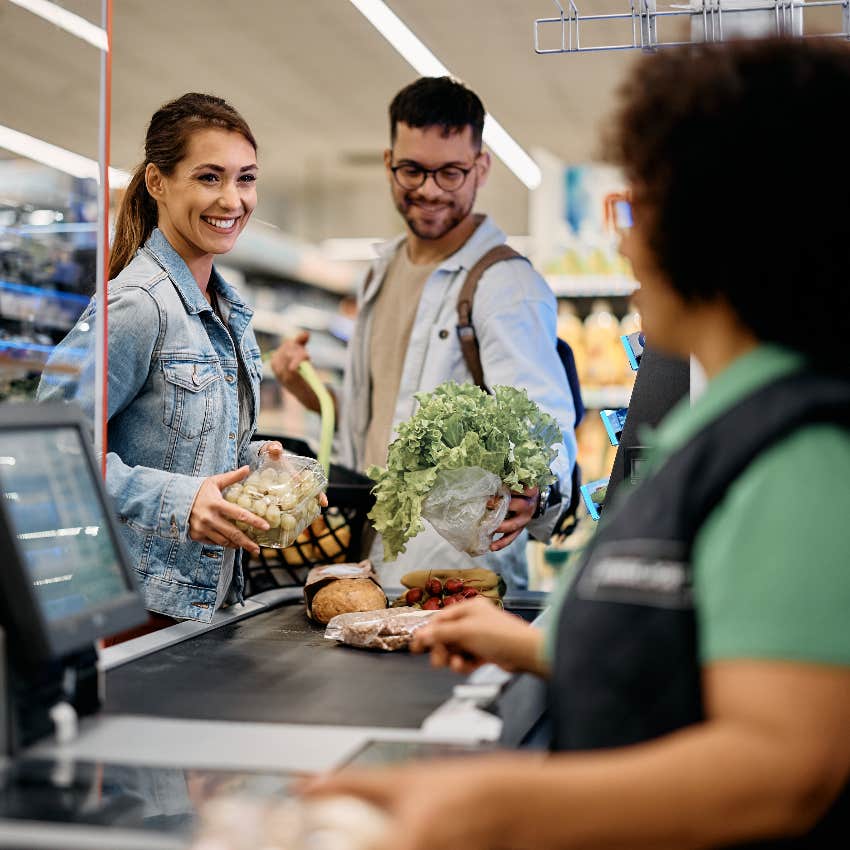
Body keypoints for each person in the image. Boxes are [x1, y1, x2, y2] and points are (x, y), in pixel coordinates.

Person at [305, 39, 850, 848]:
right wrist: (529, 643)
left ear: (723, 224)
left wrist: (492, 808)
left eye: (643, 209)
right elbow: (691, 653)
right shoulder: (722, 422)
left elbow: (786, 767)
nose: (625, 244)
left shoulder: (800, 452)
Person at [271, 77, 577, 591]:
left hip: (456, 575)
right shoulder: (381, 271)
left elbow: (543, 424)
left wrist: (535, 493)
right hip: (368, 561)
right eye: (412, 170)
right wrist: (315, 394)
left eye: (450, 172)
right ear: (390, 161)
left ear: (480, 168)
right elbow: (387, 426)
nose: (429, 189)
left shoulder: (504, 284)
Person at [38, 93, 293, 626]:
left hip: (203, 607)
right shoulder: (136, 305)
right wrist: (180, 501)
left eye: (245, 178)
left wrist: (257, 462)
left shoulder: (225, 312)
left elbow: (178, 444)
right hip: (134, 611)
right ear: (157, 182)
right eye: (209, 177)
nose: (232, 199)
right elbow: (50, 453)